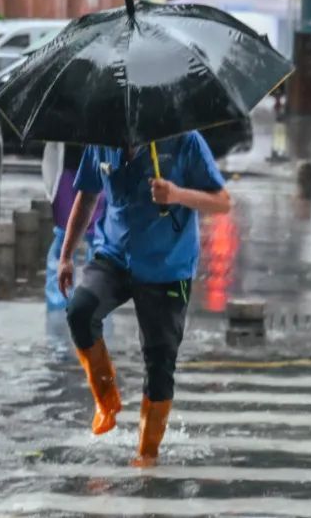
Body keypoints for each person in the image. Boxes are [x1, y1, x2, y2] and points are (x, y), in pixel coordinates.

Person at [59, 132, 231, 467]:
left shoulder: (186, 141)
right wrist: (66, 255)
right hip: (115, 254)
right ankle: (106, 401)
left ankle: (147, 454)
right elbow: (88, 195)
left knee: (159, 361)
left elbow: (223, 201)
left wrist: (177, 194)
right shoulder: (102, 137)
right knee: (80, 311)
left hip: (168, 264)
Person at [41, 142, 105, 311]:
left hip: (100, 167)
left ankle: (97, 301)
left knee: (98, 239)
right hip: (66, 170)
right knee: (64, 237)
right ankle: (57, 303)